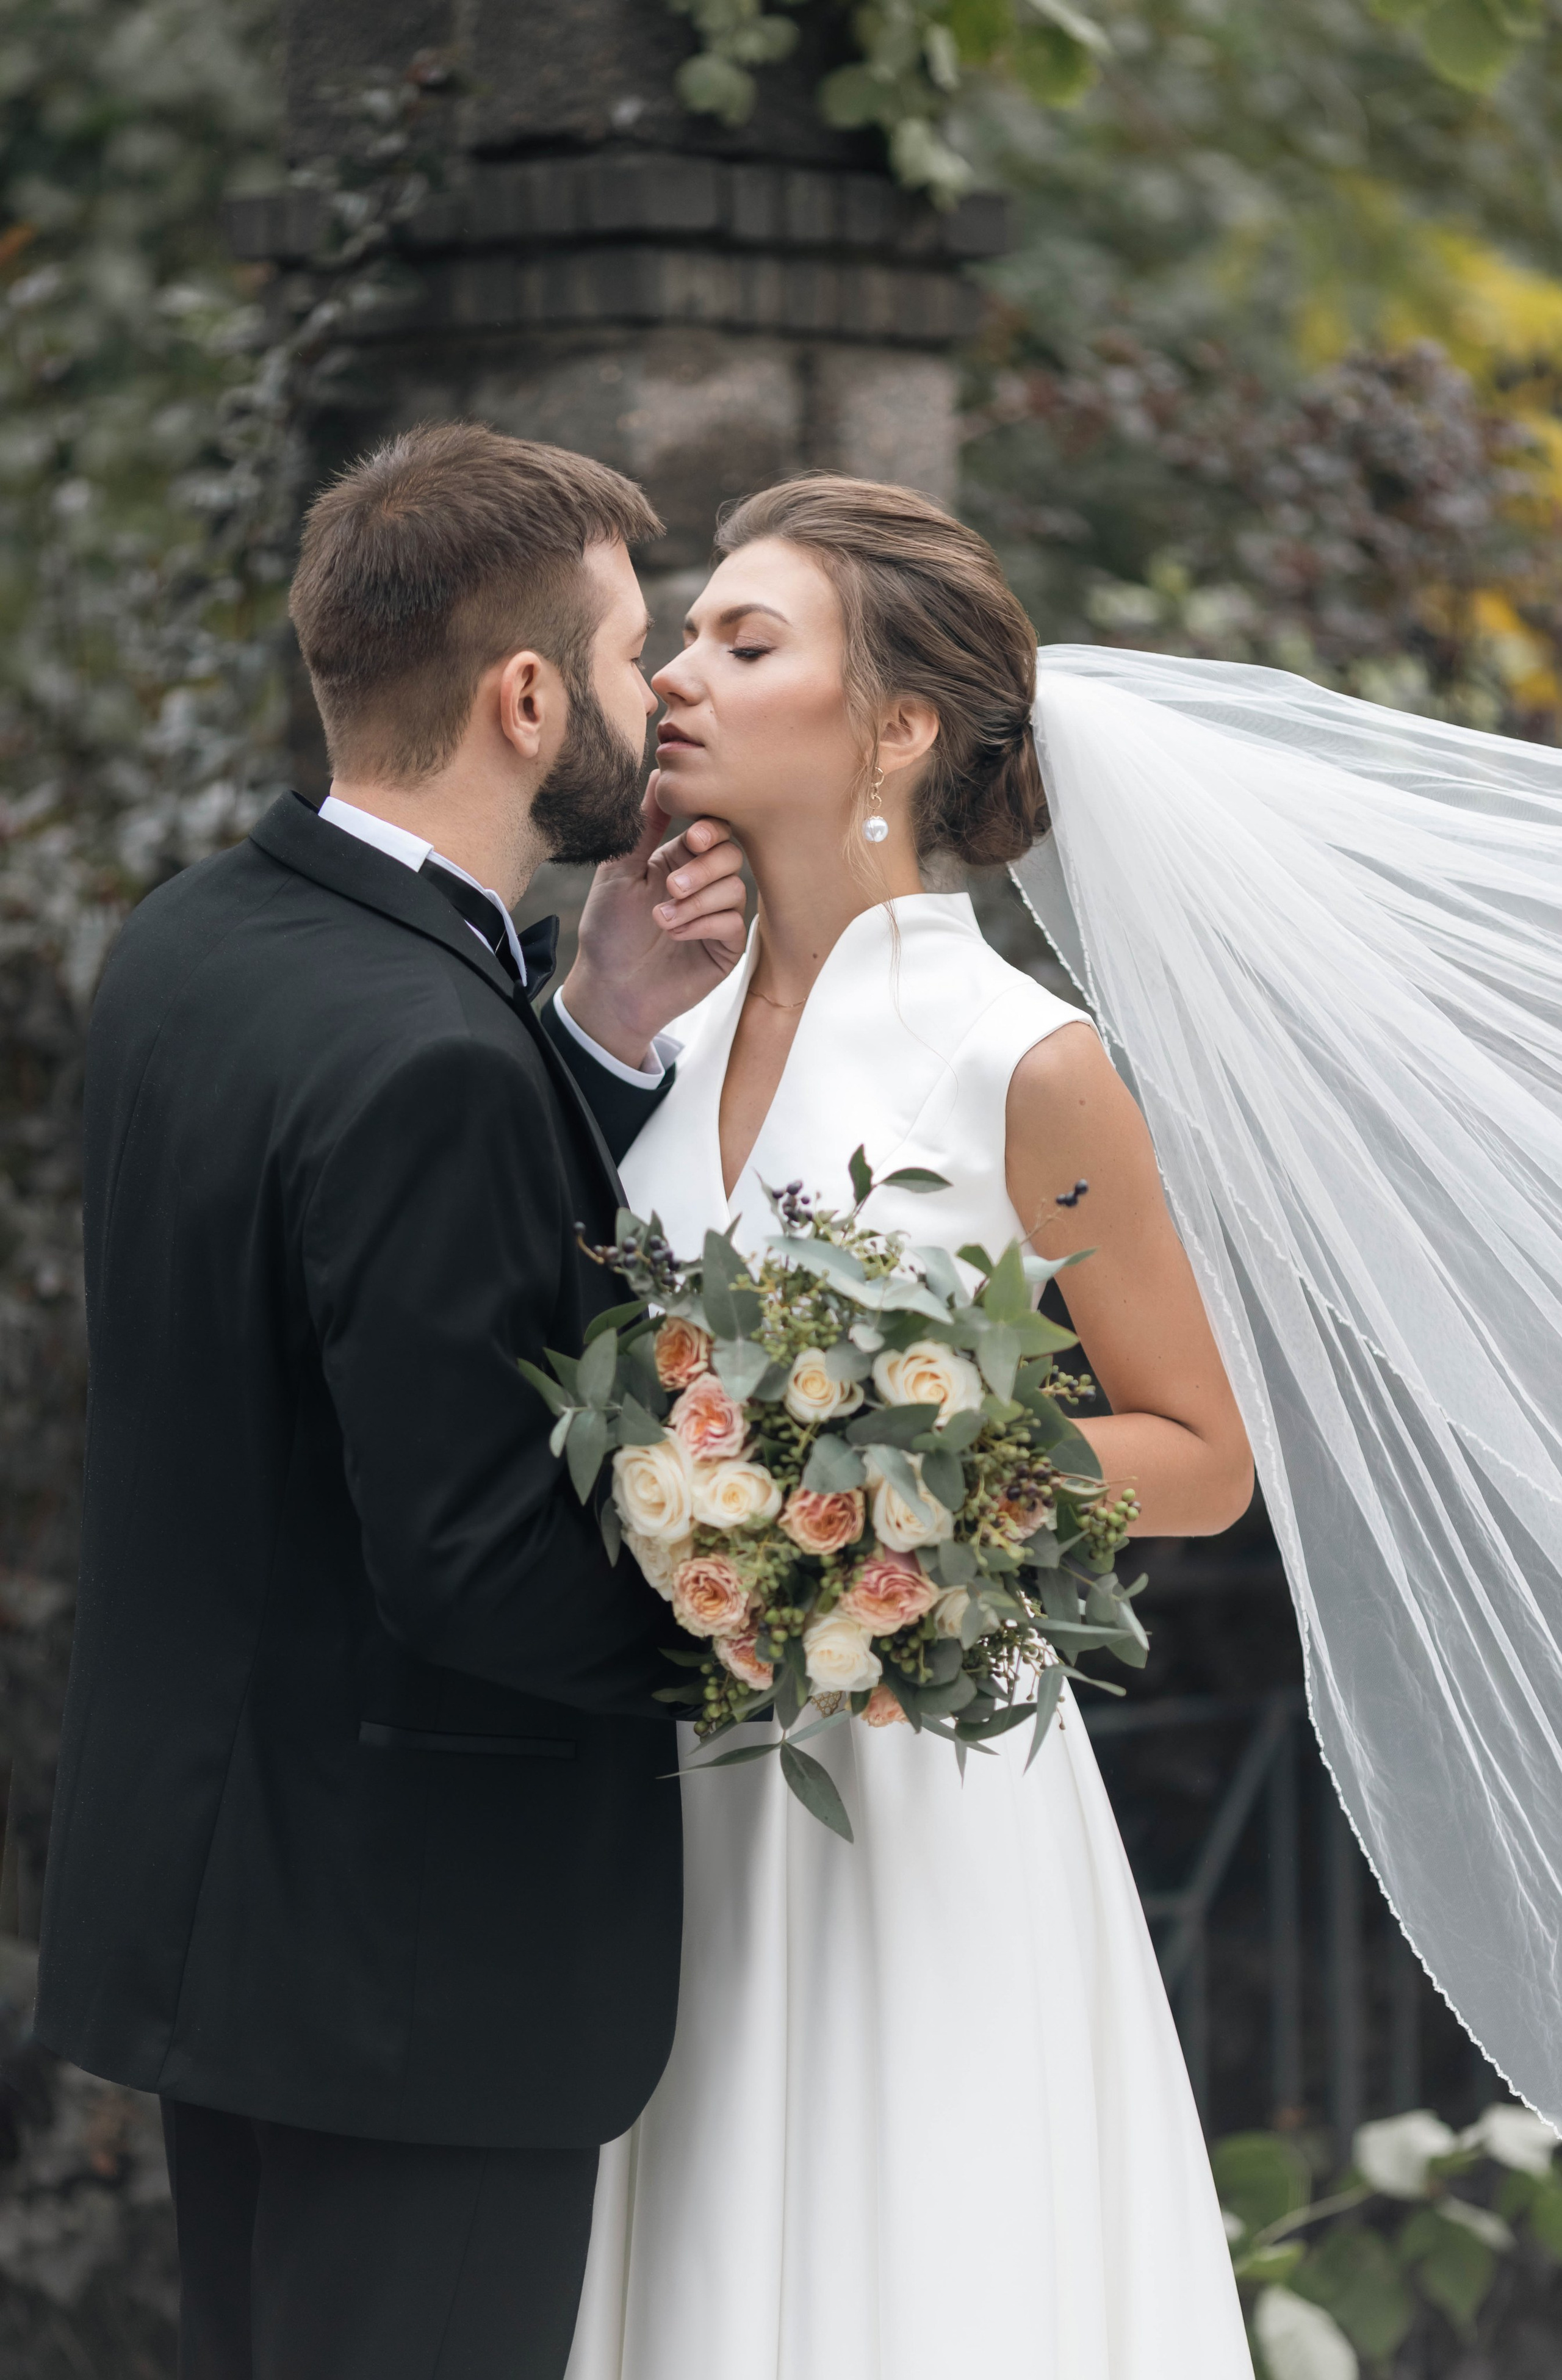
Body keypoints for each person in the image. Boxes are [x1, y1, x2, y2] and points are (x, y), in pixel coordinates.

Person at [33, 423, 748, 2380]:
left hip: (227, 1901)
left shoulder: (206, 942)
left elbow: (341, 1311)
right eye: (628, 655)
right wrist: (790, 1623)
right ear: (526, 699)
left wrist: (590, 1039)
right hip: (416, 1957)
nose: (661, 692)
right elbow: (474, 1562)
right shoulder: (429, 1039)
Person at [552, 474, 1258, 2379]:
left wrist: (880, 1492)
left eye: (744, 641)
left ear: (899, 725)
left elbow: (1197, 1444)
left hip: (913, 1789)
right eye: (683, 637)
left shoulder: (1018, 1054)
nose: (677, 675)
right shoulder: (642, 1033)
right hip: (672, 1799)